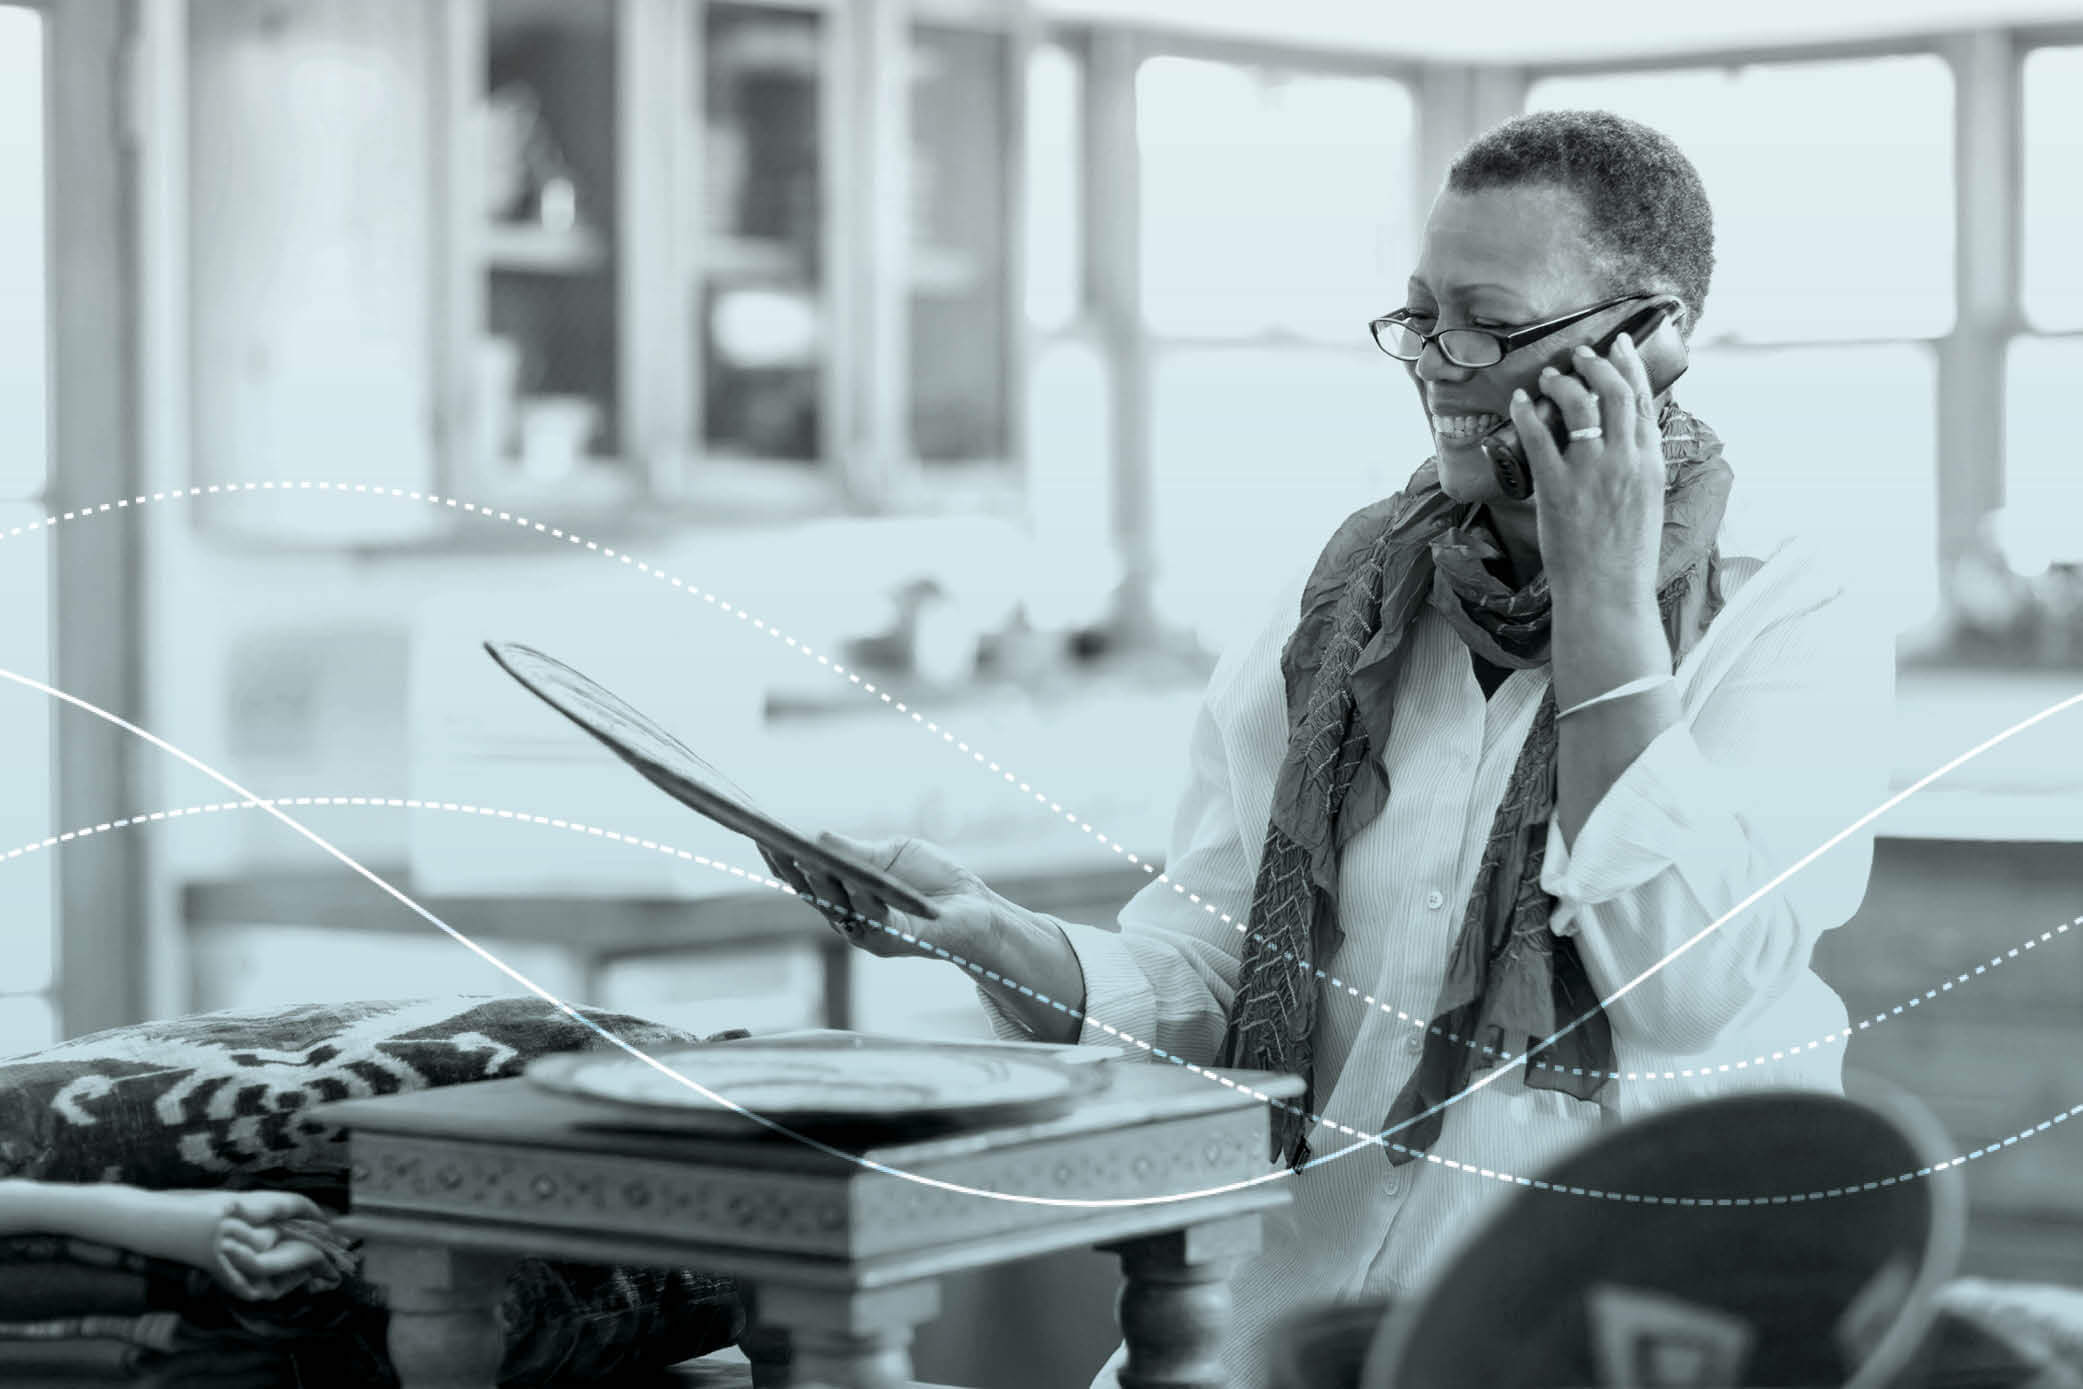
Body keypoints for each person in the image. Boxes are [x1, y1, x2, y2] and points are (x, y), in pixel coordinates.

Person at [762, 109, 1893, 1389]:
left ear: (1649, 338)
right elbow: (1206, 978)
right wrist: (991, 935)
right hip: (1267, 1333)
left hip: (1600, 1343)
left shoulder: (1793, 619)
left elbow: (1688, 993)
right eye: (1420, 317)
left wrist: (1604, 601)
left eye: (1488, 321)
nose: (1439, 364)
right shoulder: (1341, 617)